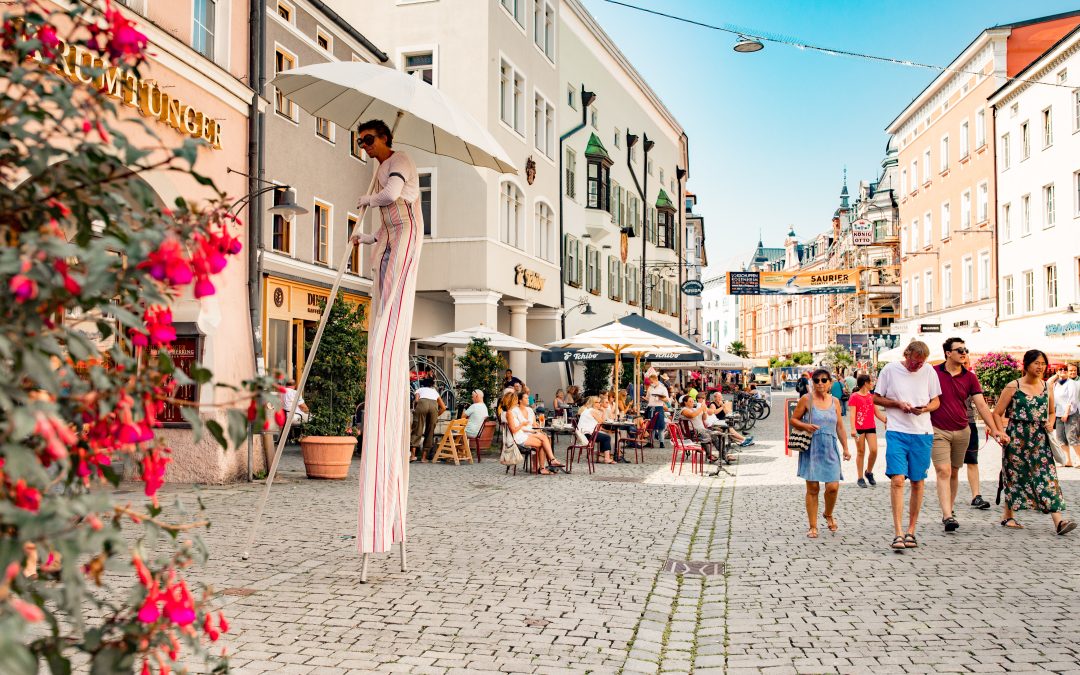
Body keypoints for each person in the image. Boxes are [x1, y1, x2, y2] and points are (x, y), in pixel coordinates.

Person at [349, 119, 426, 553]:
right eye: (360, 142)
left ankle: (387, 341)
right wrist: (366, 235)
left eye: (369, 140)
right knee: (382, 279)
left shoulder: (398, 162)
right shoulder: (380, 167)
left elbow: (393, 198)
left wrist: (368, 197)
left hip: (409, 237)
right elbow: (383, 220)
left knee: (393, 291)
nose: (365, 147)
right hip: (391, 238)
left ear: (384, 139)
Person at [994, 350, 1075, 535]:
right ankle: (1008, 516)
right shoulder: (1013, 386)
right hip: (1016, 438)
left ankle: (1059, 522)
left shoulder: (1047, 386)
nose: (1040, 367)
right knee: (1014, 476)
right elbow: (997, 413)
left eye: (1043, 363)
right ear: (1027, 364)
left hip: (1040, 439)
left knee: (1047, 478)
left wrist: (1051, 423)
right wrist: (1001, 433)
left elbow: (1052, 411)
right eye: (1036, 363)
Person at [929, 337, 1006, 532]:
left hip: (963, 430)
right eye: (959, 350)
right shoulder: (933, 372)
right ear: (948, 353)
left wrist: (995, 429)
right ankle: (947, 515)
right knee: (943, 470)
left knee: (954, 471)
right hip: (938, 429)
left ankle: (950, 509)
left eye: (965, 350)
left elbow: (981, 405)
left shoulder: (970, 377)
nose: (964, 353)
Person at [873, 340, 941, 551]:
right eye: (915, 362)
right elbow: (876, 398)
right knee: (897, 480)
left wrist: (926, 408)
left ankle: (911, 530)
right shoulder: (890, 370)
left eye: (921, 363)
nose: (917, 366)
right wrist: (897, 404)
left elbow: (936, 401)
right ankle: (898, 532)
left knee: (918, 482)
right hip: (897, 431)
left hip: (922, 432)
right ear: (907, 354)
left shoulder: (929, 371)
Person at [789, 369, 851, 538]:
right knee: (813, 488)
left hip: (830, 447)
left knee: (833, 487)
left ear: (830, 383)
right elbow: (793, 419)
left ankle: (828, 513)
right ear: (813, 383)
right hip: (812, 447)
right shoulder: (806, 399)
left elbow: (839, 426)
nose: (820, 383)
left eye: (824, 380)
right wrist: (805, 426)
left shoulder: (835, 402)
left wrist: (845, 447)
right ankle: (813, 526)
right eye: (816, 380)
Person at [506, 391, 562, 475]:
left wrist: (536, 428)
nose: (528, 399)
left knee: (544, 438)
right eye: (526, 398)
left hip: (526, 433)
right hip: (520, 436)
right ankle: (548, 463)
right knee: (544, 440)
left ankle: (543, 466)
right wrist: (524, 426)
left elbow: (533, 424)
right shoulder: (512, 412)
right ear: (519, 400)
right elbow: (514, 429)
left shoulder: (528, 410)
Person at [848, 374, 886, 487]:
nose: (873, 384)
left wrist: (886, 420)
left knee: (874, 450)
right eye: (871, 382)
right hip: (859, 428)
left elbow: (877, 413)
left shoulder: (871, 396)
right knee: (861, 452)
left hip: (870, 427)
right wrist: (853, 429)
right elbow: (852, 414)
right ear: (865, 383)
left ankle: (868, 472)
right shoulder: (854, 396)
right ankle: (860, 477)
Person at [679, 393, 730, 462]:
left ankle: (724, 455)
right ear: (685, 402)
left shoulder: (695, 409)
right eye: (690, 401)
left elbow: (704, 418)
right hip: (692, 432)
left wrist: (704, 411)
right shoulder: (684, 410)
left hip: (701, 430)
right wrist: (701, 408)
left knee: (716, 434)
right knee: (706, 435)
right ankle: (710, 455)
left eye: (692, 401)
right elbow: (692, 415)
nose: (692, 402)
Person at [410, 378, 445, 462]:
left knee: (417, 429)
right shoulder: (435, 392)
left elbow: (417, 399)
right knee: (430, 432)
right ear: (432, 385)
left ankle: (413, 456)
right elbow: (443, 407)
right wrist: (436, 415)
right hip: (434, 406)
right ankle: (424, 458)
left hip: (422, 404)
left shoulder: (420, 389)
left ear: (423, 384)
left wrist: (416, 406)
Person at [1052, 363, 1080, 467]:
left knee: (1071, 436)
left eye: (1065, 370)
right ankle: (1067, 461)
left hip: (1070, 413)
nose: (1063, 371)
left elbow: (1072, 400)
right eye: (1060, 369)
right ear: (1057, 372)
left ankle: (1079, 459)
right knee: (1060, 438)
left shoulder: (1071, 383)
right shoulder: (1056, 383)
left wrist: (1066, 413)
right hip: (1059, 413)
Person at [578, 396, 617, 464]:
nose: (600, 404)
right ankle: (607, 458)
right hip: (587, 434)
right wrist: (604, 411)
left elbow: (600, 421)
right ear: (594, 403)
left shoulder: (588, 410)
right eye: (598, 402)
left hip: (582, 433)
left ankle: (601, 456)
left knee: (603, 436)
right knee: (607, 437)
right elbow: (602, 421)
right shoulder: (592, 411)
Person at [644, 375, 669, 448]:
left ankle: (662, 442)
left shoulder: (663, 388)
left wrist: (659, 398)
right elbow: (648, 398)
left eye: (652, 382)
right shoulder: (650, 388)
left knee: (660, 426)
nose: (651, 383)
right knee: (651, 426)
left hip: (659, 407)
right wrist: (644, 398)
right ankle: (651, 442)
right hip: (650, 407)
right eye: (650, 382)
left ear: (656, 380)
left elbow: (667, 399)